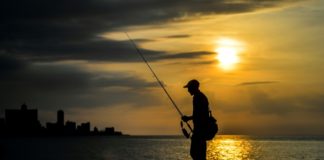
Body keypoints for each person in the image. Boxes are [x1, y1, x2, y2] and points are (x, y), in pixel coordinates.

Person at [182, 79, 209, 160]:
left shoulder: (197, 98)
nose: (188, 90)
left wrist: (188, 118)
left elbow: (199, 115)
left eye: (189, 88)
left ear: (193, 87)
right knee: (198, 154)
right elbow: (200, 114)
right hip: (201, 131)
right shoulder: (200, 96)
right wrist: (189, 118)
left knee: (195, 154)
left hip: (199, 132)